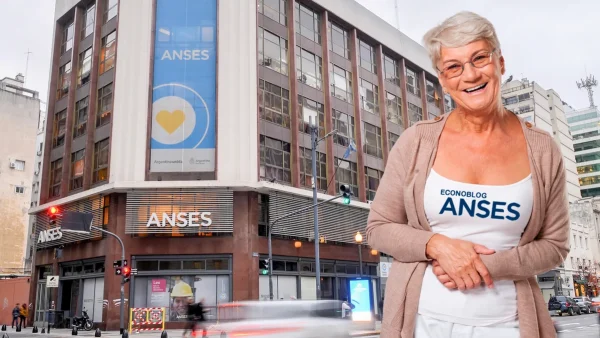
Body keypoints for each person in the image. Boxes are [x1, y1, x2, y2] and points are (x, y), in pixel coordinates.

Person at [366, 11, 569, 338]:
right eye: (454, 67)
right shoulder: (416, 140)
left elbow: (555, 245)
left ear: (500, 63)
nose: (470, 75)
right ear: (443, 79)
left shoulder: (544, 150)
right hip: (422, 323)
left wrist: (489, 267)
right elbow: (378, 228)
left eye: (479, 58)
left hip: (508, 326)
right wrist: (436, 245)